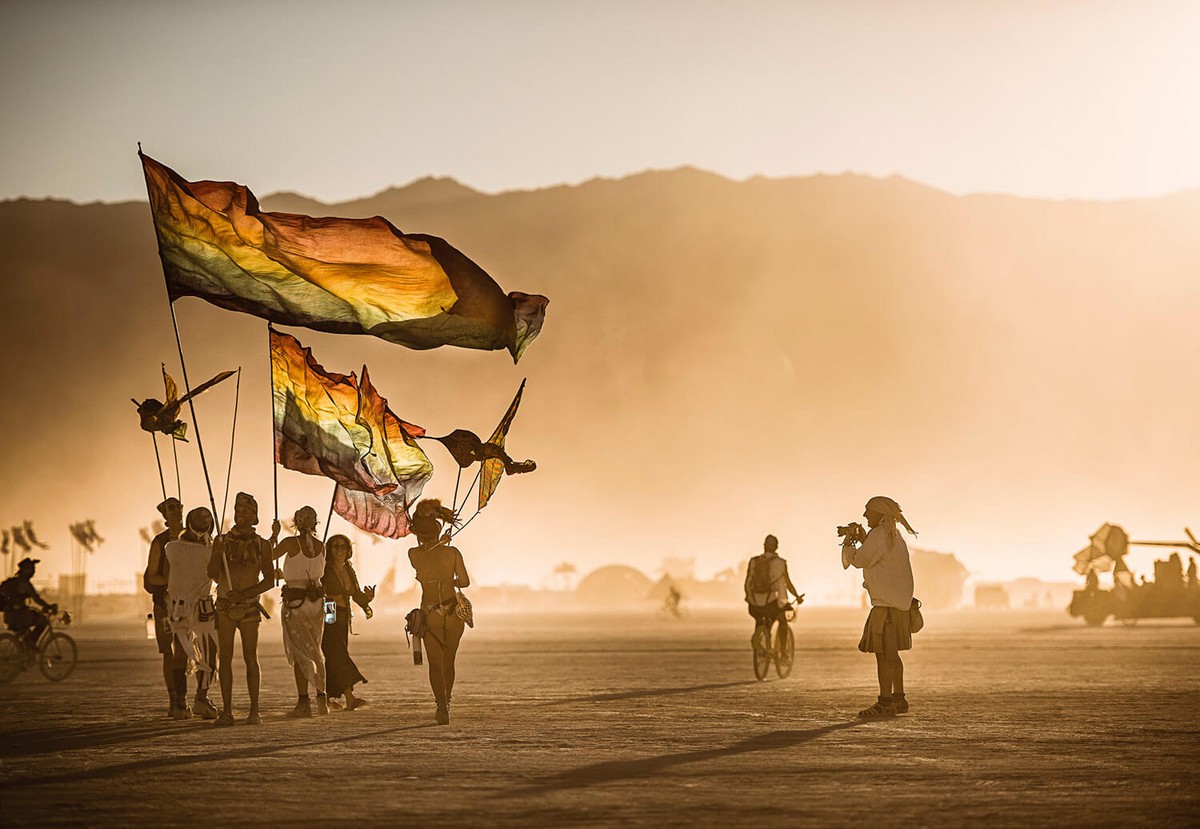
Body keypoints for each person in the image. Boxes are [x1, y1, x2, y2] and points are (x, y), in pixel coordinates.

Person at [841, 495, 917, 718]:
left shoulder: (879, 535)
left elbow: (861, 560)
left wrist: (848, 542)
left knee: (883, 656)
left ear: (879, 514)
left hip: (884, 608)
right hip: (899, 606)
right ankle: (899, 699)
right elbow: (876, 554)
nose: (865, 515)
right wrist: (863, 537)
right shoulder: (894, 535)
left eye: (868, 511)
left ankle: (884, 703)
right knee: (893, 655)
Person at [207, 492, 275, 726]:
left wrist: (245, 594)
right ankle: (227, 712)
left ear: (255, 516)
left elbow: (269, 580)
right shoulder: (222, 540)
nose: (241, 514)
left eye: (246, 511)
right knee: (224, 658)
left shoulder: (262, 545)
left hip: (248, 607)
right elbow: (213, 574)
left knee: (250, 657)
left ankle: (254, 711)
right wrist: (218, 552)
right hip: (225, 606)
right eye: (238, 510)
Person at [408, 499, 470, 725]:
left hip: (430, 611)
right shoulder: (452, 552)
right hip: (453, 610)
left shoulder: (413, 554)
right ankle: (448, 701)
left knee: (436, 664)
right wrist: (449, 576)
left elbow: (423, 559)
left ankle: (442, 706)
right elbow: (464, 581)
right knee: (448, 661)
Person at [164, 507, 220, 720]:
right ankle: (180, 702)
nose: (205, 519)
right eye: (201, 515)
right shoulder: (172, 547)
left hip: (203, 607)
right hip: (180, 608)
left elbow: (217, 577)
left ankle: (201, 698)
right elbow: (166, 578)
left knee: (209, 653)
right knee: (180, 654)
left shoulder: (212, 549)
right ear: (190, 520)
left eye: (208, 516)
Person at [274, 506, 329, 717]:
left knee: (300, 653)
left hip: (295, 606)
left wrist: (273, 536)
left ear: (296, 523)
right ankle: (321, 700)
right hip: (317, 606)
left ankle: (303, 702)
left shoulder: (290, 543)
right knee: (316, 650)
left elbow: (265, 557)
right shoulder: (321, 546)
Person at [143, 497, 186, 717]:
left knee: (186, 652)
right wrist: (172, 581)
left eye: (178, 507)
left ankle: (185, 698)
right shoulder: (159, 542)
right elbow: (153, 576)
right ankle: (173, 700)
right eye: (171, 508)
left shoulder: (191, 539)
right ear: (165, 514)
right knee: (169, 653)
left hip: (188, 604)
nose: (176, 511)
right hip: (164, 605)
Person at [322, 534, 373, 711]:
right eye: (335, 546)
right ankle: (349, 695)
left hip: (344, 613)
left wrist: (366, 599)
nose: (339, 550)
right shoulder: (325, 568)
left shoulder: (348, 569)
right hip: (329, 609)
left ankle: (328, 698)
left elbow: (355, 592)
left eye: (342, 547)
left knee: (334, 652)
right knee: (336, 651)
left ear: (348, 550)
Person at [744, 535, 804, 657]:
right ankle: (783, 653)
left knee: (760, 618)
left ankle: (759, 638)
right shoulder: (780, 563)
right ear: (776, 547)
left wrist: (749, 598)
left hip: (754, 605)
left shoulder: (754, 561)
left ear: (764, 546)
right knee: (782, 621)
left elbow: (747, 583)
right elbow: (788, 584)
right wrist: (797, 596)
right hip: (771, 604)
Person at [1, 557, 57, 652]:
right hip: (19, 616)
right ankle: (31, 645)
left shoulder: (14, 582)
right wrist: (49, 607)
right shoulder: (25, 584)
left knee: (26, 636)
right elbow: (36, 599)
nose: (34, 572)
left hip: (9, 616)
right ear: (27, 571)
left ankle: (24, 657)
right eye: (32, 570)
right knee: (43, 620)